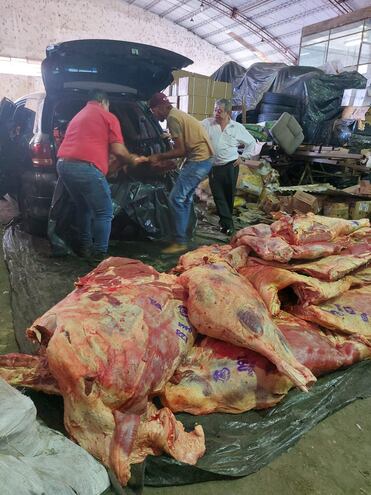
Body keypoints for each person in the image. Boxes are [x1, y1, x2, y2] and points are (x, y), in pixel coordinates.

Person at [56, 89, 145, 261]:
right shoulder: (107, 116)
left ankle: (85, 247)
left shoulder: (79, 116)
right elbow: (119, 151)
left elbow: (90, 144)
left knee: (83, 207)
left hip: (64, 166)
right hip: (85, 168)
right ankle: (99, 256)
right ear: (104, 102)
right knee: (104, 212)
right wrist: (132, 160)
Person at [148, 92, 213, 254]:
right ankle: (183, 236)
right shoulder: (178, 114)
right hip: (205, 159)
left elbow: (181, 150)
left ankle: (179, 241)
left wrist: (159, 156)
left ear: (160, 108)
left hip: (199, 160)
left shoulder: (172, 118)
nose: (154, 116)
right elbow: (185, 144)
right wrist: (169, 138)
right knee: (184, 199)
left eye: (153, 111)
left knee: (176, 198)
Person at [202, 99, 256, 236]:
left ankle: (225, 223)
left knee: (228, 195)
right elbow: (192, 128)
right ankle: (228, 225)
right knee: (218, 196)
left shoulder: (236, 127)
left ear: (228, 112)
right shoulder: (207, 123)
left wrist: (243, 157)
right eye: (215, 109)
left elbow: (251, 143)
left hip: (231, 166)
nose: (216, 113)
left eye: (219, 111)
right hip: (214, 167)